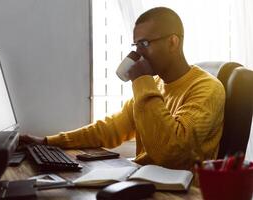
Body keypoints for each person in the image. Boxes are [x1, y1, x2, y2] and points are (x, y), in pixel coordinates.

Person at [21, 7, 225, 170]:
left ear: (173, 42)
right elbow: (110, 129)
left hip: (180, 192)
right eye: (136, 45)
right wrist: (48, 141)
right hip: (146, 181)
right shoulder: (154, 86)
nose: (137, 53)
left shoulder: (207, 89)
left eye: (144, 43)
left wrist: (142, 80)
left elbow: (169, 153)